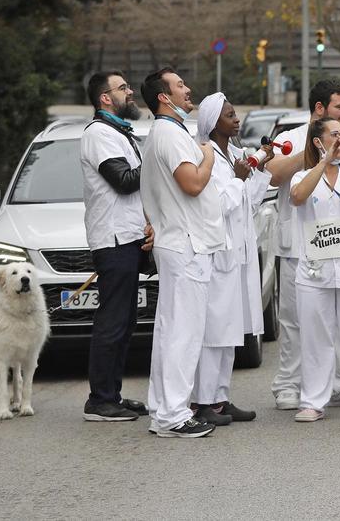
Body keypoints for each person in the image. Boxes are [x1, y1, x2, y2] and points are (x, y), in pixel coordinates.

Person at [266, 79, 340, 411]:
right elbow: (273, 175)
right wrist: (316, 153)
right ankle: (288, 383)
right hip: (299, 246)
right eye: (339, 107)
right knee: (296, 321)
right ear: (319, 108)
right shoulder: (290, 138)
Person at [139, 67, 227, 438]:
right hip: (185, 244)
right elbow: (192, 183)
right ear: (163, 96)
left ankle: (162, 408)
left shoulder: (166, 133)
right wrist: (207, 155)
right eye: (179, 86)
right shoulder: (171, 135)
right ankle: (175, 415)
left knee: (170, 330)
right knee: (183, 334)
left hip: (178, 241)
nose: (187, 90)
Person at [189, 93, 271, 426]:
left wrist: (257, 172)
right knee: (214, 332)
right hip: (218, 251)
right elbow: (218, 205)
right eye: (230, 115)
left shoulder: (235, 154)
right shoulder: (204, 156)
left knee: (231, 331)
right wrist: (238, 179)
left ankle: (221, 397)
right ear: (213, 123)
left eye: (236, 113)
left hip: (239, 251)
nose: (237, 119)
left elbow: (247, 204)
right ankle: (203, 401)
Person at [79, 72, 153, 422]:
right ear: (104, 98)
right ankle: (99, 400)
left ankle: (114, 395)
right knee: (112, 320)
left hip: (128, 235)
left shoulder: (118, 132)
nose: (130, 92)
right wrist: (157, 158)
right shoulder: (99, 135)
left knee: (125, 320)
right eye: (122, 88)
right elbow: (123, 182)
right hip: (113, 239)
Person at [288, 118, 340, 423]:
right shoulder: (303, 175)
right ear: (318, 141)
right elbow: (297, 198)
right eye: (333, 134)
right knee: (315, 337)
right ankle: (313, 400)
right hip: (315, 270)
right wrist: (324, 162)